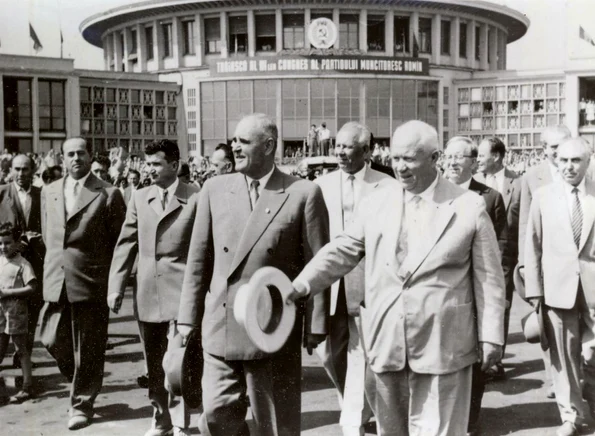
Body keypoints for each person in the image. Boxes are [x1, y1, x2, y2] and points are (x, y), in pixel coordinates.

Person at [288, 120, 506, 436]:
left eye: (409, 159)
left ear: (435, 158)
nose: (400, 167)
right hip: (385, 342)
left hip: (443, 346)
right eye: (396, 158)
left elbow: (489, 277)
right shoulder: (377, 202)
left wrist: (491, 335)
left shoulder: (467, 207)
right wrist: (302, 284)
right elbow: (342, 251)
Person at [176, 113, 330, 436]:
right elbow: (197, 261)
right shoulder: (214, 189)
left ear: (269, 146)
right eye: (233, 140)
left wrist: (315, 325)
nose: (234, 146)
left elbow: (318, 265)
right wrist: (186, 319)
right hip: (221, 324)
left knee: (274, 425)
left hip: (273, 327)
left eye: (243, 141)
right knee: (216, 414)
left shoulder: (302, 193)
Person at [108, 140, 198, 436]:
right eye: (147, 164)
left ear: (175, 165)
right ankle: (160, 418)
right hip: (147, 293)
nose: (150, 170)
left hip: (181, 293)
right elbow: (126, 242)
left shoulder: (195, 197)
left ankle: (181, 422)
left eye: (156, 164)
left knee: (176, 363)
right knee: (153, 362)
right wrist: (116, 286)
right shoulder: (139, 196)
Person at [40, 137, 126, 431]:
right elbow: (50, 235)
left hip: (90, 281)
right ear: (62, 159)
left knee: (88, 346)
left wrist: (115, 283)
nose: (75, 158)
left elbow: (119, 243)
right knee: (50, 337)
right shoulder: (49, 192)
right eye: (70, 154)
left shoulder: (108, 193)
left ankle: (82, 404)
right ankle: (81, 378)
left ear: (90, 157)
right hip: (56, 278)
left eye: (81, 153)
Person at [317, 121, 393, 436]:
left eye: (348, 147)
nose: (341, 152)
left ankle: (353, 419)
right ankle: (354, 402)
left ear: (366, 150)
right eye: (338, 145)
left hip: (368, 281)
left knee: (360, 350)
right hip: (331, 282)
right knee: (329, 354)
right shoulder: (321, 184)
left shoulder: (387, 185)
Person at [524, 137, 595, 436]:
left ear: (588, 162)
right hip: (557, 289)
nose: (568, 166)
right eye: (563, 160)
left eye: (576, 160)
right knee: (563, 357)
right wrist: (534, 292)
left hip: (593, 291)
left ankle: (587, 403)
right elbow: (533, 245)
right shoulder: (543, 196)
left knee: (591, 354)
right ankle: (571, 416)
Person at [443, 136, 508, 436]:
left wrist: (499, 294)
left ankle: (470, 419)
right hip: (444, 292)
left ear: (473, 161)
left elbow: (503, 250)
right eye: (448, 156)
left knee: (476, 359)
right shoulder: (434, 194)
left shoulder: (490, 198)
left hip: (476, 290)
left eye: (460, 157)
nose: (453, 162)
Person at [518, 125, 572, 399]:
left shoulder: (585, 169)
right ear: (544, 149)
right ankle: (554, 379)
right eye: (554, 147)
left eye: (564, 145)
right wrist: (525, 265)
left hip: (577, 262)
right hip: (546, 263)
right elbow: (525, 223)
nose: (560, 152)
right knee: (547, 325)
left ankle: (579, 379)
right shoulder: (532, 176)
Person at [476, 137, 522, 380]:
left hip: (506, 256)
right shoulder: (472, 183)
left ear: (496, 156)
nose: (478, 160)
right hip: (478, 255)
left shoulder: (519, 182)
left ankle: (496, 360)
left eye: (482, 155)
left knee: (501, 306)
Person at [0, 155, 45, 369]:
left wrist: (38, 239)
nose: (21, 174)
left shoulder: (42, 195)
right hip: (6, 265)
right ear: (10, 170)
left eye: (25, 169)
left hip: (34, 263)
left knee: (32, 310)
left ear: (33, 170)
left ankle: (23, 356)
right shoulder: (1, 193)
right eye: (16, 169)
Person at [0, 222, 37, 404]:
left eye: (7, 243)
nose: (3, 247)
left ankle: (27, 386)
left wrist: (8, 293)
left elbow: (32, 287)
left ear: (16, 243)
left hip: (16, 312)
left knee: (20, 349)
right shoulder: (0, 260)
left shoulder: (23, 264)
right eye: (0, 243)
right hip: (0, 312)